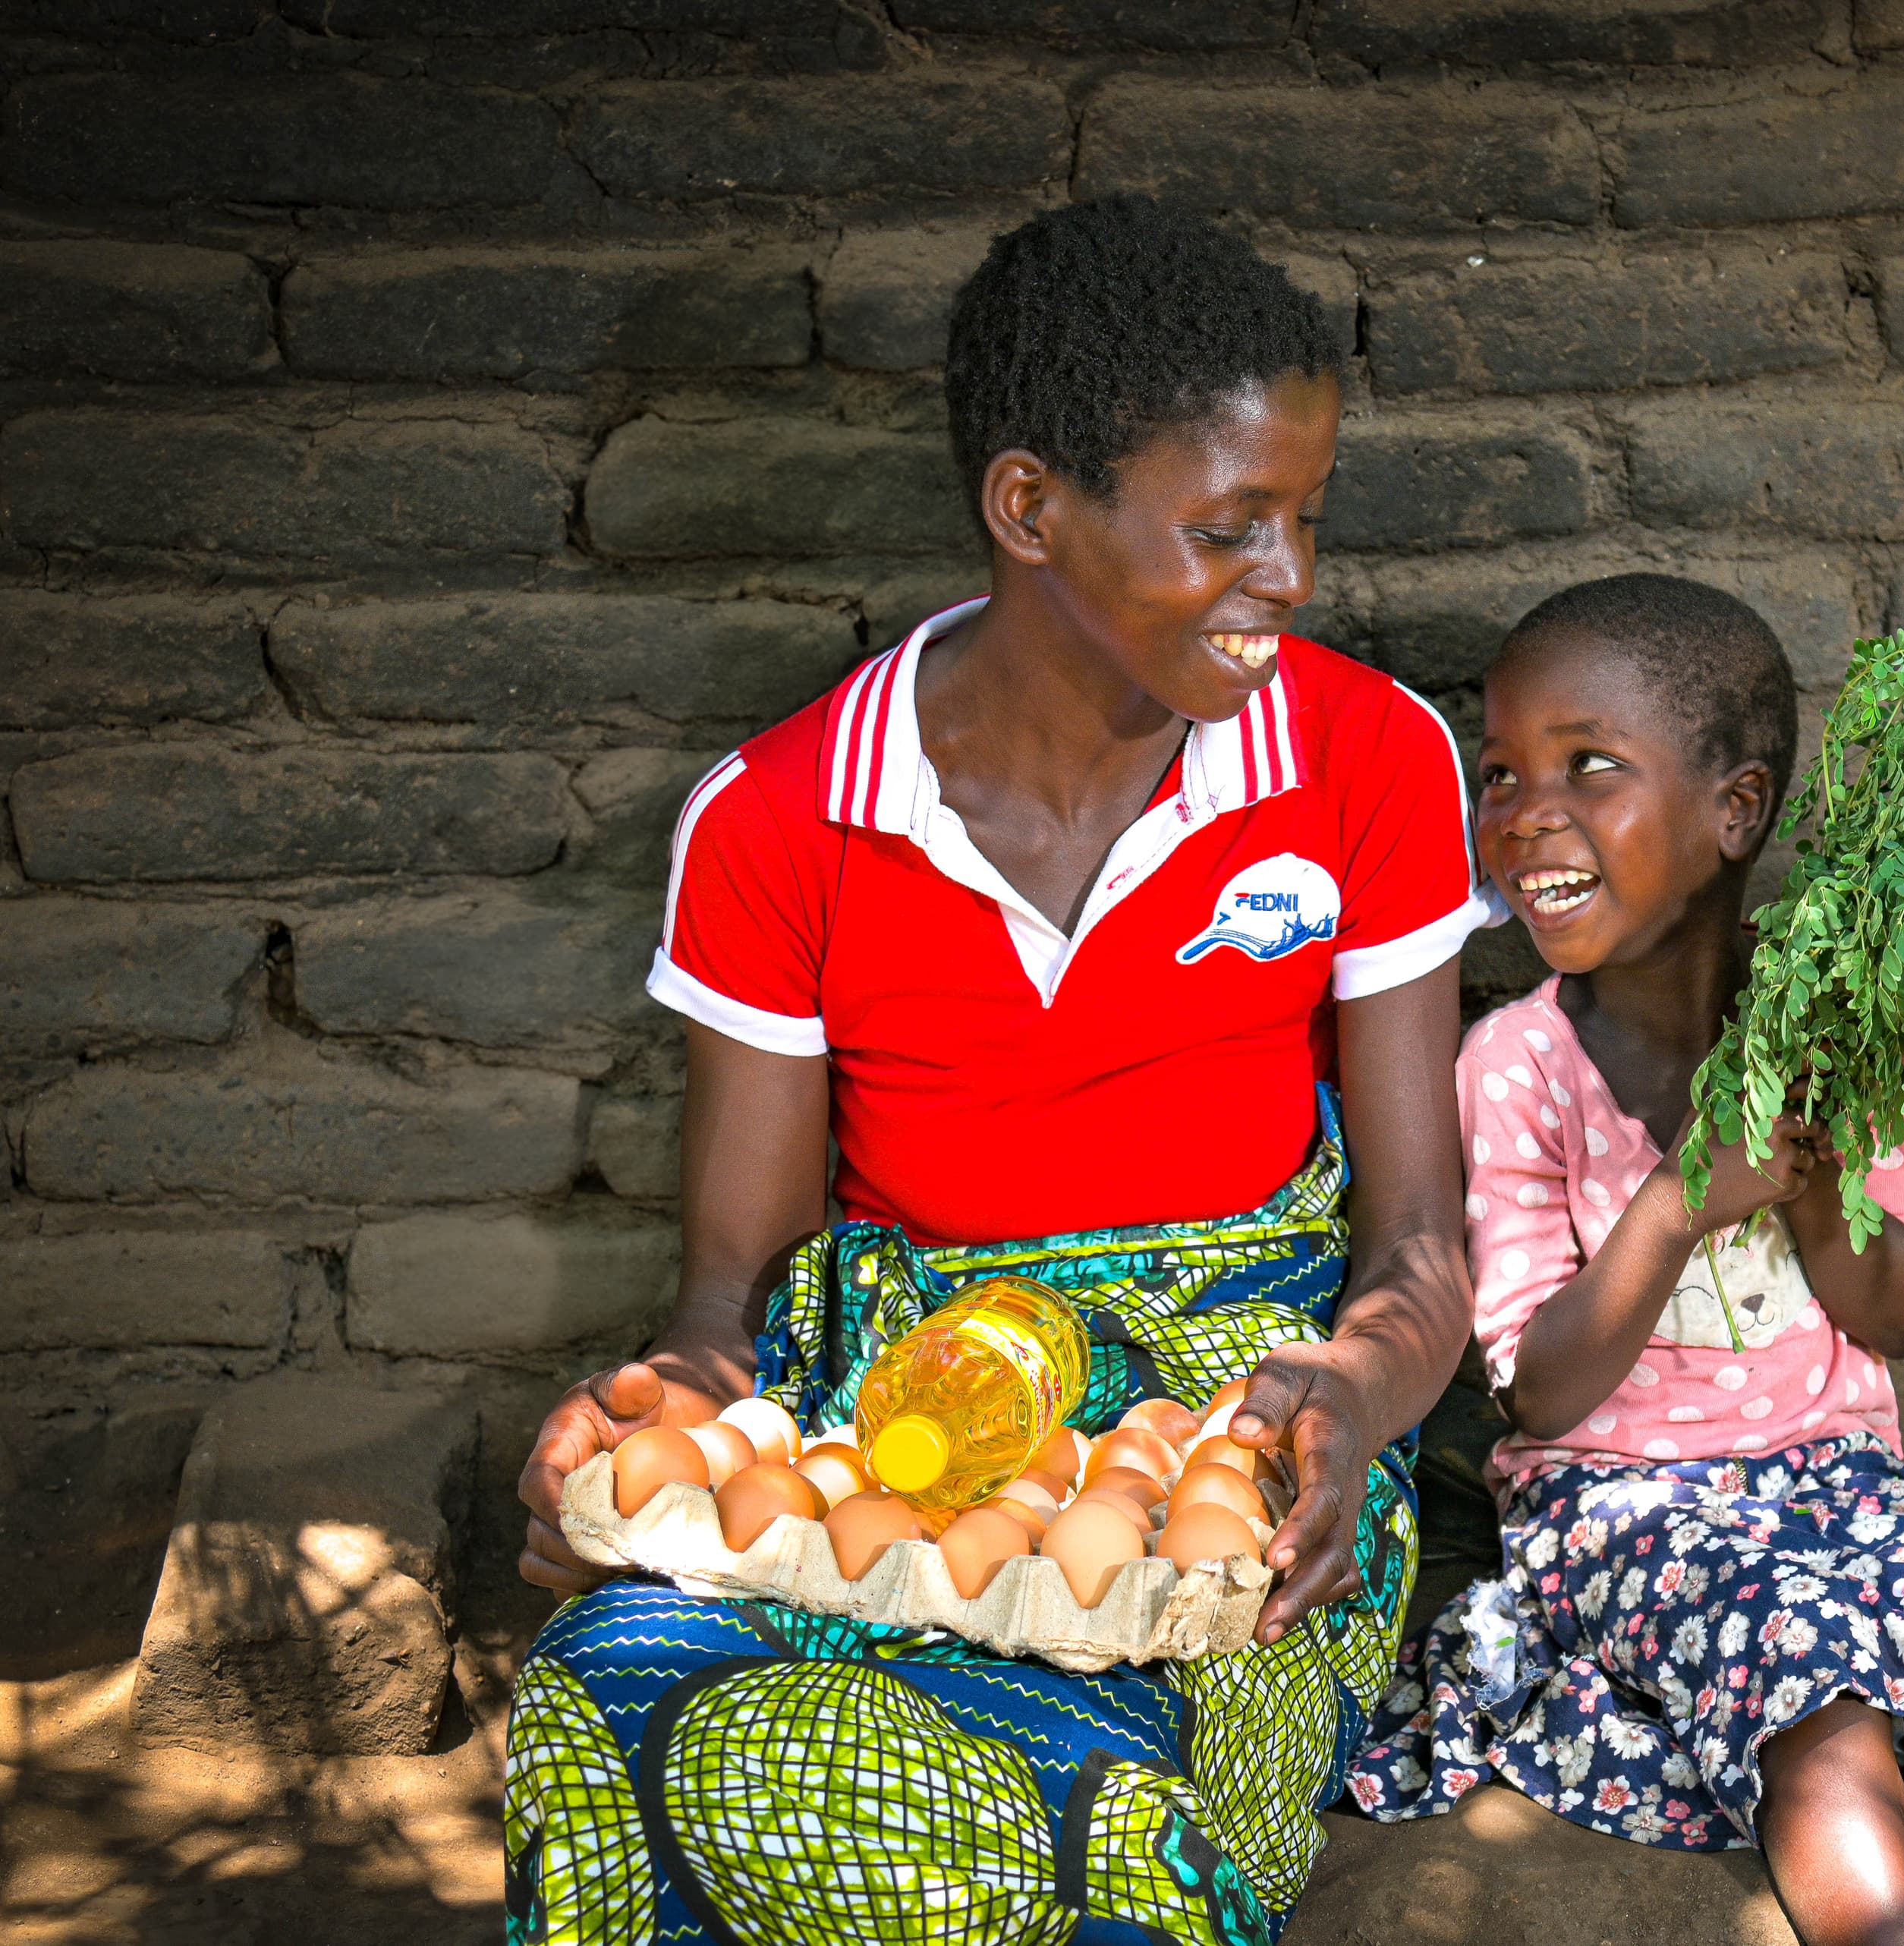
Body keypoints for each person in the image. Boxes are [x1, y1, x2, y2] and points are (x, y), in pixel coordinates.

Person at [502, 197, 1483, 1945]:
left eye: (1308, 522)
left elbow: (1419, 1243)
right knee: (609, 1694)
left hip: (1236, 1425)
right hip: (900, 1403)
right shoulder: (784, 819)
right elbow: (731, 1293)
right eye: (1230, 527)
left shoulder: (1364, 763)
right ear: (1030, 507)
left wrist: (1355, 1400)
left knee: (1124, 1776)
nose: (1295, 580)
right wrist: (660, 1434)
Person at [1348, 576, 1904, 1946]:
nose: (1528, 810)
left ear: (1738, 810)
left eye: (1589, 766)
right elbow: (1537, 1392)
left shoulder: (1831, 1036)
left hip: (1843, 1479)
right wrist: (1676, 1202)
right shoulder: (1517, 1067)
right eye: (1503, 773)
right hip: (1623, 1509)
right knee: (1812, 1678)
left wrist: (1823, 1211)